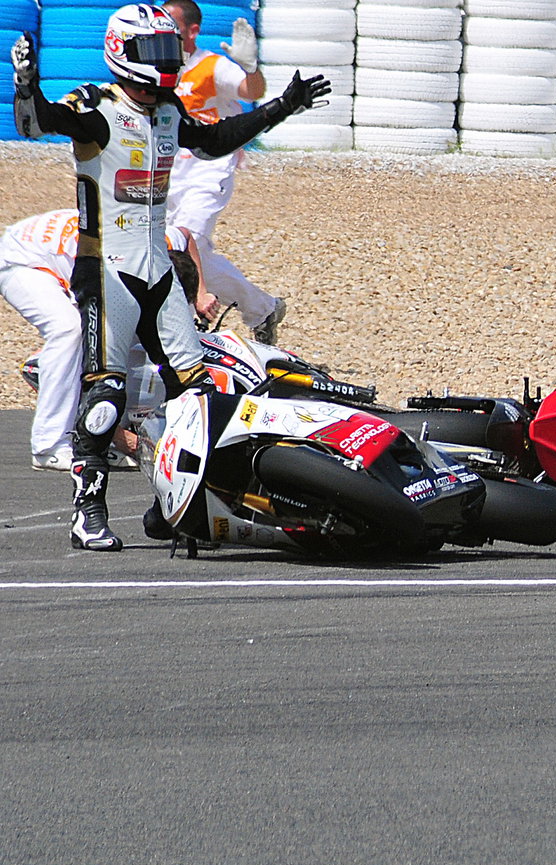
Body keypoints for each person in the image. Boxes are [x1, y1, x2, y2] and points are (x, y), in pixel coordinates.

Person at [11, 2, 329, 550]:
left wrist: (282, 106)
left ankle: (180, 504)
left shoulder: (167, 110)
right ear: (121, 52)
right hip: (105, 266)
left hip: (157, 267)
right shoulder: (95, 106)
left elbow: (216, 140)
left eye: (169, 49)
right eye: (154, 51)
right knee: (106, 391)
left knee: (199, 392)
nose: (166, 62)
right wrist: (26, 83)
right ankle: (88, 511)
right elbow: (36, 123)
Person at [2, 208, 217, 472]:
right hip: (22, 259)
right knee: (72, 332)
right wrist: (125, 441)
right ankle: (48, 446)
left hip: (73, 246)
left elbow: (186, 236)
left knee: (130, 335)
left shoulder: (163, 245)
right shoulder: (108, 277)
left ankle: (102, 436)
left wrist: (201, 295)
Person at [161, 0, 288, 344]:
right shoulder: (159, 70)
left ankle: (181, 332)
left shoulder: (211, 67)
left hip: (207, 171)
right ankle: (262, 308)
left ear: (192, 31)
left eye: (170, 24)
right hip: (166, 175)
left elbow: (253, 91)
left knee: (187, 244)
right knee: (179, 250)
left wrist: (250, 67)